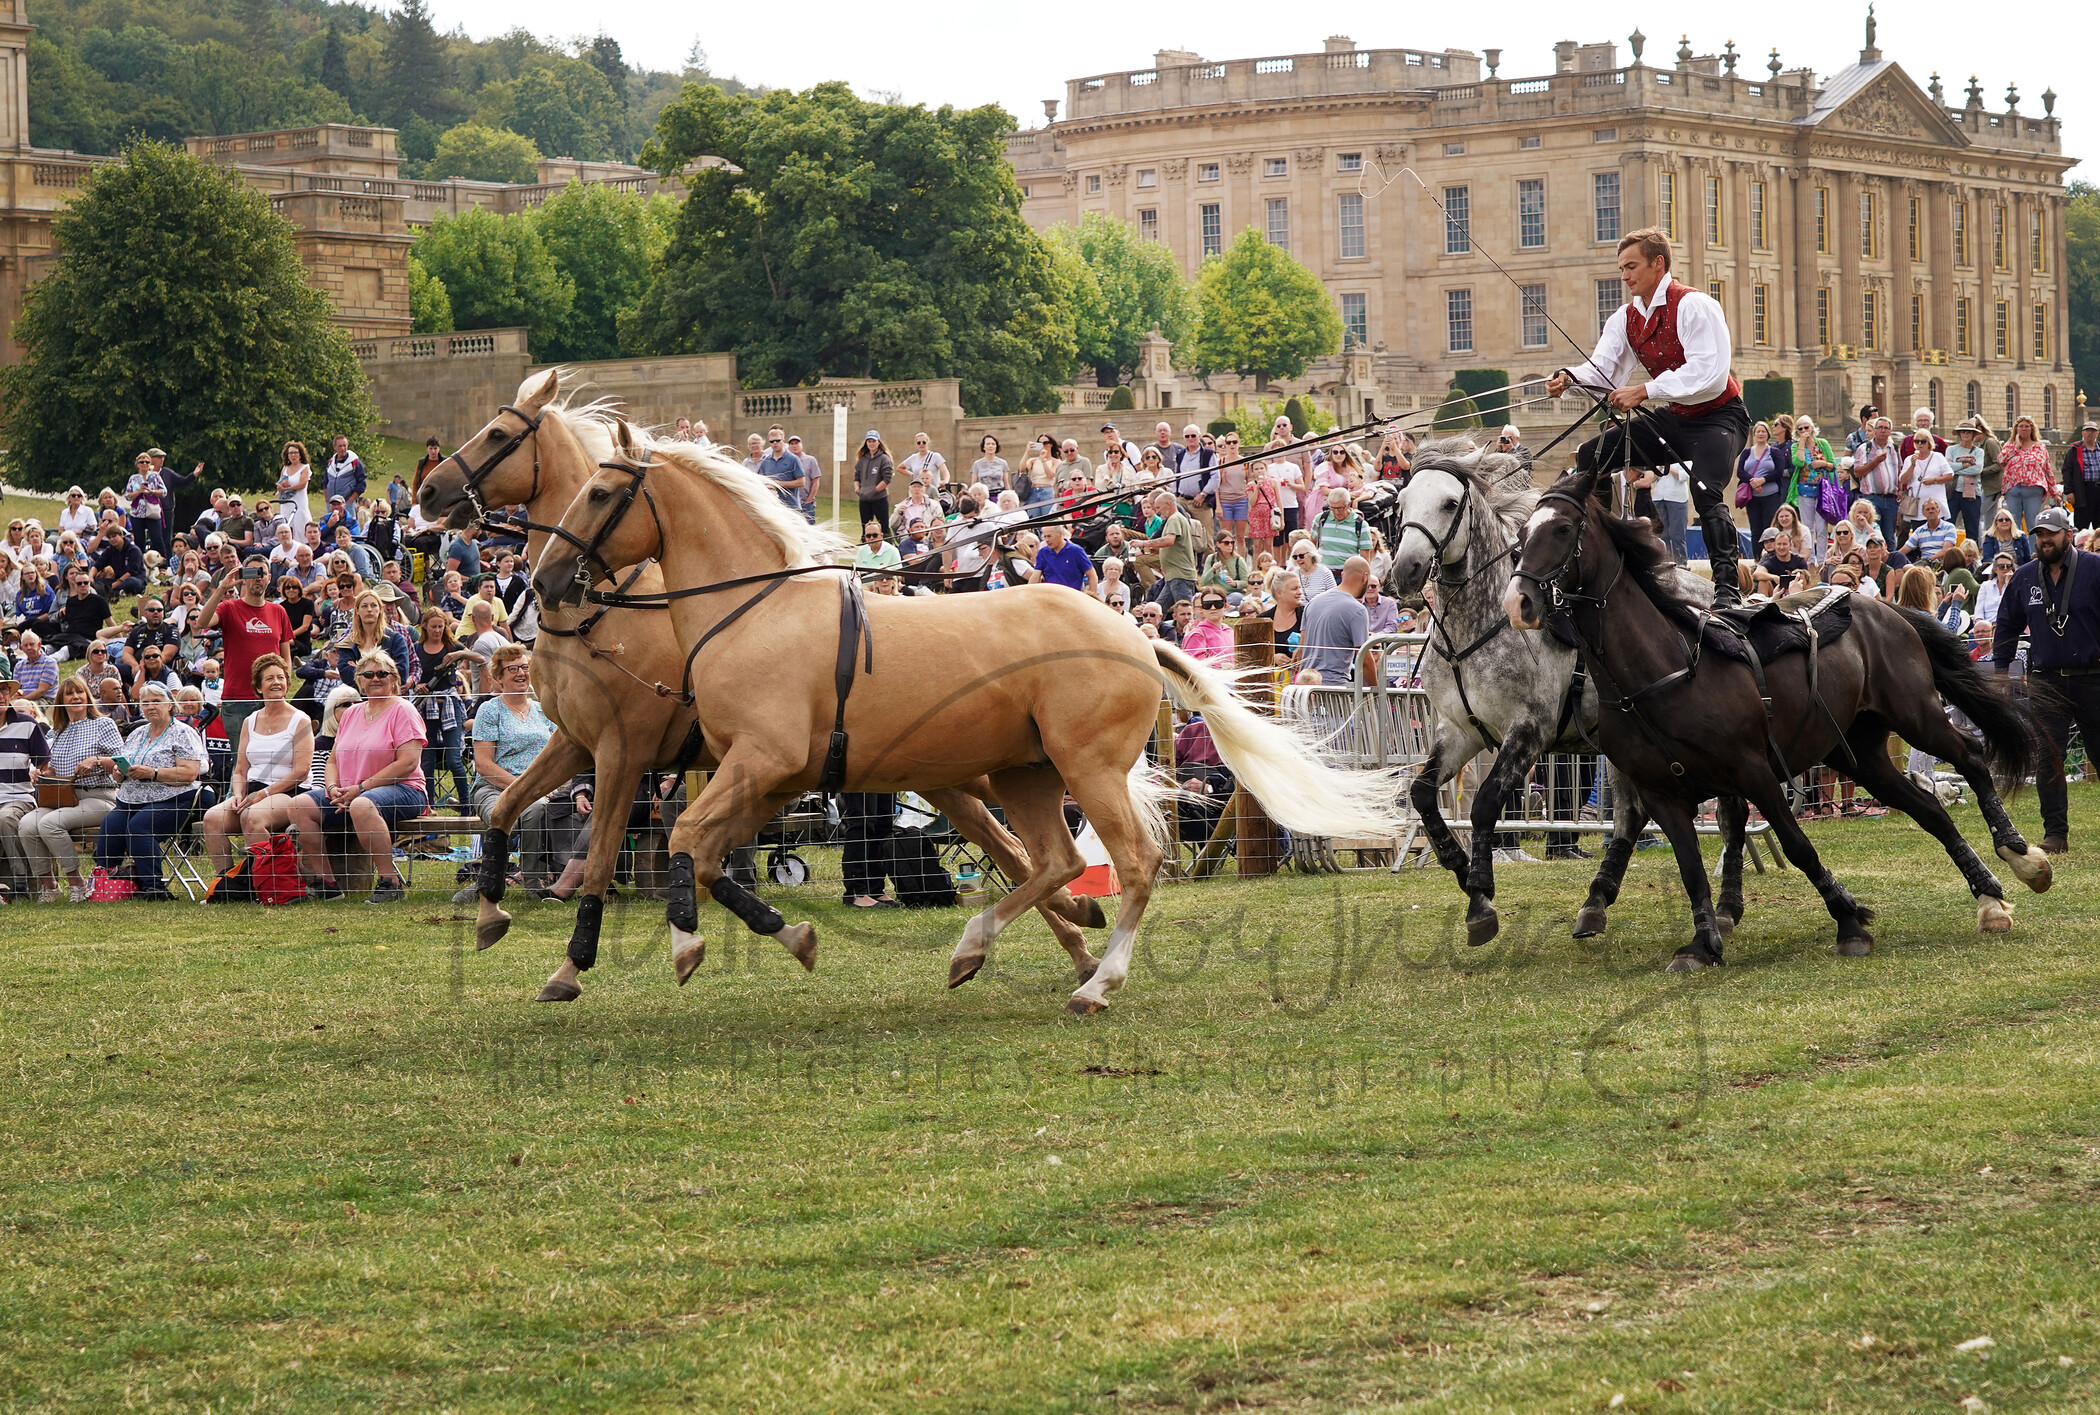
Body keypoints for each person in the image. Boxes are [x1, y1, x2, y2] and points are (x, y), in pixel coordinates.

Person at [1548, 228, 1750, 606]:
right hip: (1675, 417)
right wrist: (1570, 379)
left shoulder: (1695, 305)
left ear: (1658, 263)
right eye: (1621, 268)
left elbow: (1709, 374)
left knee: (1705, 490)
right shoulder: (1626, 318)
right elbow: (1605, 369)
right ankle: (1600, 554)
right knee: (1592, 456)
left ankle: (1727, 587)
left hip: (1720, 418)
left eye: (1631, 266)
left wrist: (1644, 391)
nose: (1624, 275)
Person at [1992, 507, 2100, 854]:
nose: (2045, 540)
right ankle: (2056, 834)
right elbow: (2007, 625)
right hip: (2046, 681)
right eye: (2039, 534)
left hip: (2092, 678)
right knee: (2048, 758)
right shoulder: (2023, 577)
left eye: (2051, 533)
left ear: (2068, 534)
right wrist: (1999, 670)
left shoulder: (2095, 569)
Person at [288, 650, 427, 902]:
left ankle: (390, 883)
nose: (375, 678)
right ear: (359, 680)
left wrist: (360, 789)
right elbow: (333, 760)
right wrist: (332, 788)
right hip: (351, 793)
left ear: (394, 678)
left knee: (363, 805)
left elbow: (408, 763)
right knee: (299, 804)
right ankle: (326, 884)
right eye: (368, 674)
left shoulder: (403, 710)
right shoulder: (351, 713)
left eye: (382, 673)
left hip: (406, 790)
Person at [89, 682, 208, 901]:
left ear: (170, 705)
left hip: (175, 797)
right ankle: (107, 884)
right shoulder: (137, 733)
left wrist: (152, 772)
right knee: (110, 825)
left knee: (139, 826)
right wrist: (119, 772)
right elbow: (121, 766)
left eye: (156, 701)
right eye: (145, 702)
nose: (151, 706)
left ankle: (153, 888)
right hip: (131, 798)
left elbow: (189, 773)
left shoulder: (184, 733)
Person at [198, 655, 313, 876]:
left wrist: (264, 794)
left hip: (289, 792)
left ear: (288, 684)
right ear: (258, 687)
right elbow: (240, 769)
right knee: (212, 818)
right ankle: (229, 884)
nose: (276, 682)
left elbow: (301, 772)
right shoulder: (250, 721)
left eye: (281, 677)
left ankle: (271, 882)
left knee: (252, 816)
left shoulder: (301, 720)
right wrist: (239, 795)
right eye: (269, 678)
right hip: (252, 792)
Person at [15, 675, 124, 901]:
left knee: (49, 824)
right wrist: (42, 773)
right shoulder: (56, 733)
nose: (75, 697)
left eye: (80, 692)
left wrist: (96, 760)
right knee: (26, 824)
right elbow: (53, 770)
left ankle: (78, 884)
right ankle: (50, 886)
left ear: (87, 696)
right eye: (69, 693)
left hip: (99, 796)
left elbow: (122, 761)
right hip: (62, 798)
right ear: (61, 701)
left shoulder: (103, 724)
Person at [196, 559, 293, 746]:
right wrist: (222, 588)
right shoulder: (229, 607)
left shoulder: (278, 611)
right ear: (243, 578)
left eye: (262, 573)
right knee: (241, 762)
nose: (258, 578)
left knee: (271, 756)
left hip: (271, 698)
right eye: (252, 573)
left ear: (269, 578)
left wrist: (283, 687)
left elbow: (285, 656)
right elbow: (202, 622)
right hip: (237, 699)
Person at [469, 642, 556, 827]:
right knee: (505, 818)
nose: (521, 673)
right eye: (513, 668)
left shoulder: (544, 711)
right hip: (494, 788)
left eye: (525, 667)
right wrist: (525, 787)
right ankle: (498, 855)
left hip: (540, 789)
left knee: (541, 809)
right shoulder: (489, 710)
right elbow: (483, 765)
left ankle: (533, 857)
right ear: (499, 677)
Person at [409, 606, 480, 809]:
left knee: (454, 759)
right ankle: (428, 806)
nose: (437, 630)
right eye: (433, 627)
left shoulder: (451, 646)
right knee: (427, 760)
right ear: (425, 627)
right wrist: (417, 685)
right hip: (426, 704)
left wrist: (457, 655)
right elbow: (411, 673)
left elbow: (479, 658)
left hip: (449, 704)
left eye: (441, 626)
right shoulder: (417, 648)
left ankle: (466, 806)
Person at [0, 672, 50, 898]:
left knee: (5, 818)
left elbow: (45, 767)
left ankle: (21, 883)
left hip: (19, 799)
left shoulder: (28, 724)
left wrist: (38, 772)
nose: (1, 695)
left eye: (3, 690)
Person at [1298, 556, 1374, 683]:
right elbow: (1365, 659)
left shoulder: (1313, 602)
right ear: (1365, 577)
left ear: (1343, 575)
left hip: (1305, 687)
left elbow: (1300, 649)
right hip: (1333, 688)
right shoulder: (1357, 610)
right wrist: (1378, 693)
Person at [1135, 490, 1199, 608]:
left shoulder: (1174, 519)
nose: (1157, 511)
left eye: (1158, 507)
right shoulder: (1173, 519)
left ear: (1168, 504)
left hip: (1180, 575)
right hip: (1172, 575)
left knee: (1185, 611)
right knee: (1157, 611)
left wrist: (1144, 543)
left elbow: (1169, 540)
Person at [1737, 420, 1788, 547]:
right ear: (1754, 434)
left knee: (1769, 528)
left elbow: (1779, 471)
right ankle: (1757, 558)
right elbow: (1740, 471)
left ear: (1768, 434)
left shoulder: (1774, 452)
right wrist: (1753, 482)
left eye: (1763, 431)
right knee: (1755, 529)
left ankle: (1770, 555)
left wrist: (1763, 480)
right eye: (1758, 431)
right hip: (1752, 496)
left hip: (1771, 495)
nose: (1760, 434)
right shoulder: (1747, 452)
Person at [1999, 416, 2053, 533]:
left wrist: (2054, 492)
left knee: (2033, 523)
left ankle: (2034, 550)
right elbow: (2001, 460)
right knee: (2013, 523)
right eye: (2021, 426)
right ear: (2016, 429)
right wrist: (2016, 446)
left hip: (2034, 489)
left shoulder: (2040, 447)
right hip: (2013, 489)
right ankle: (2014, 550)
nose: (2024, 429)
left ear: (2032, 429)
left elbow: (2048, 469)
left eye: (2027, 426)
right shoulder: (2009, 445)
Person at [1251, 567, 1307, 664]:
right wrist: (1271, 657)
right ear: (1279, 593)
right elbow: (1253, 653)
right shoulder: (1262, 619)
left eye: (1300, 588)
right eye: (1294, 589)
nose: (1299, 592)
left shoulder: (1307, 614)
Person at [1028, 521, 1094, 593]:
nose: (1047, 540)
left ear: (1060, 533)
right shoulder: (1043, 552)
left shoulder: (1076, 551)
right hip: (1051, 595)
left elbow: (1091, 574)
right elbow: (1036, 575)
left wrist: (1093, 596)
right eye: (1044, 537)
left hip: (1072, 596)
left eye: (1049, 536)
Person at [853, 432, 894, 535]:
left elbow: (887, 479)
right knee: (866, 529)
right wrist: (858, 490)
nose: (871, 444)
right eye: (869, 441)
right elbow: (856, 477)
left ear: (878, 442)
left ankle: (888, 548)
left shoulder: (884, 459)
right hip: (864, 499)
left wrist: (875, 490)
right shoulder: (862, 460)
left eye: (874, 441)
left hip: (879, 498)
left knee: (884, 529)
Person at [755, 426, 806, 509]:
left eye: (777, 440)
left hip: (791, 507)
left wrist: (778, 484)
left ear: (783, 441)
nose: (775, 443)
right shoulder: (765, 461)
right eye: (772, 441)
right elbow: (761, 481)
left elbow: (801, 482)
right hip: (772, 507)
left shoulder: (793, 459)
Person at [2062, 422, 2100, 533]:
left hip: (2098, 490)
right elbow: (2067, 471)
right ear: (2083, 433)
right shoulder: (2074, 450)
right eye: (2087, 430)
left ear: (2097, 433)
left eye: (2093, 431)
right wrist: (2069, 491)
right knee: (2082, 527)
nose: (2090, 433)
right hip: (2082, 491)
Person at [1651, 460, 1690, 563]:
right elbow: (1651, 479)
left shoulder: (1685, 458)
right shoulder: (1659, 457)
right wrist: (1659, 468)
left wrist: (1668, 467)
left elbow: (1684, 476)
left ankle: (1681, 562)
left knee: (1677, 534)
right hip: (1659, 497)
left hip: (1677, 498)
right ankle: (1665, 560)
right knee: (1662, 534)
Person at [1902, 497, 1958, 566]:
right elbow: (1904, 550)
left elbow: (1945, 552)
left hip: (1943, 565)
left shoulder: (1949, 527)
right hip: (1924, 566)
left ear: (1938, 511)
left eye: (1933, 508)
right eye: (1927, 509)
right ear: (1924, 513)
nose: (1930, 511)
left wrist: (1927, 560)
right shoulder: (1919, 531)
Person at [1179, 592, 1234, 664]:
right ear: (1202, 608)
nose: (1213, 608)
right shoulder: (1197, 634)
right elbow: (1194, 665)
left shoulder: (1230, 631)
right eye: (1207, 605)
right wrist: (1220, 665)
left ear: (1225, 606)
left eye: (1218, 604)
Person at [321, 435, 367, 505]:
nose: (342, 448)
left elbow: (362, 483)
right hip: (332, 503)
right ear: (334, 447)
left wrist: (351, 499)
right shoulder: (330, 463)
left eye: (344, 446)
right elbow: (325, 482)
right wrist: (327, 499)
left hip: (347, 503)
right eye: (340, 446)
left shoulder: (354, 462)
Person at [787, 434, 821, 524]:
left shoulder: (810, 460)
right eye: (792, 444)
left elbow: (815, 481)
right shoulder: (786, 461)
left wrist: (809, 500)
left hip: (805, 503)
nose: (794, 446)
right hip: (791, 503)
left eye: (796, 443)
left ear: (801, 445)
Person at [1976, 551, 2018, 624]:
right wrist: (1980, 625)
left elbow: (2016, 607)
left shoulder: (2016, 586)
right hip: (1988, 625)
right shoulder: (1986, 586)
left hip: (2009, 624)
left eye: (2008, 566)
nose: (2005, 569)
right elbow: (1978, 612)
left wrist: (2010, 584)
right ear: (1995, 569)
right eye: (2001, 566)